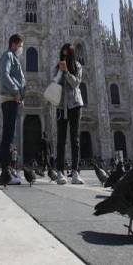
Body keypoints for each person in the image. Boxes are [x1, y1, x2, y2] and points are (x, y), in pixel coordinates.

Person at [0, 34, 25, 185]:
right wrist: (16, 91)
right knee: (8, 137)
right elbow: (4, 75)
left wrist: (20, 96)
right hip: (10, 98)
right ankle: (1, 170)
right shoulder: (8, 55)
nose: (21, 49)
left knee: (8, 136)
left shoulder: (13, 57)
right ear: (14, 44)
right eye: (21, 45)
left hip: (13, 99)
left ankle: (1, 169)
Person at [53, 43, 84, 185]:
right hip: (61, 106)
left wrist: (66, 72)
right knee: (61, 140)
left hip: (75, 105)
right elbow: (55, 83)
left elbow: (76, 83)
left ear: (71, 55)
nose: (64, 57)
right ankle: (60, 171)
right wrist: (60, 71)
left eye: (67, 55)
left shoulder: (77, 66)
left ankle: (75, 172)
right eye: (63, 54)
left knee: (75, 139)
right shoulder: (57, 66)